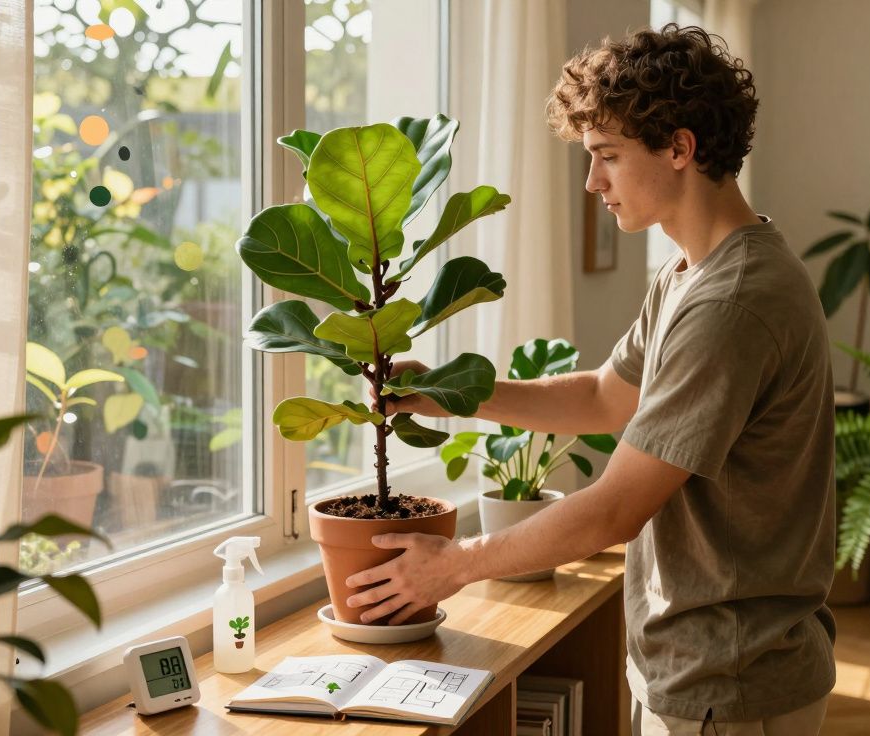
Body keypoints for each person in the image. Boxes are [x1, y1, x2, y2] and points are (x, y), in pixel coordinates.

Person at [344, 23, 836, 735]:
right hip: (703, 668)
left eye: (607, 156)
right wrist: (455, 391)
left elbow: (614, 510)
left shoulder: (732, 301)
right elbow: (606, 396)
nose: (591, 181)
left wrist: (453, 565)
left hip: (731, 680)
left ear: (679, 148)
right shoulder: (692, 274)